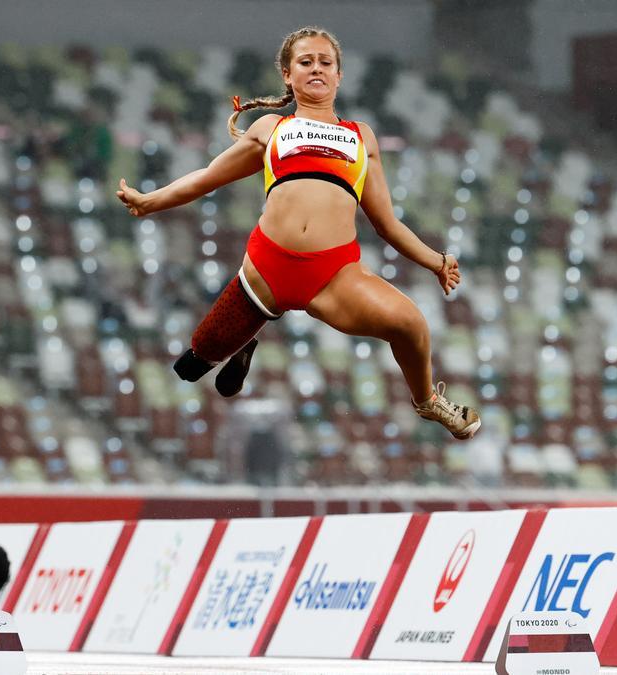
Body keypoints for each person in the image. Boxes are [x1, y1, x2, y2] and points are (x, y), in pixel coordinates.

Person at [115, 26, 480, 439]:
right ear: (288, 75)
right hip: (266, 269)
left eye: (326, 62)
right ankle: (244, 342)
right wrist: (150, 201)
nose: (317, 69)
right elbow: (207, 178)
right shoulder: (271, 128)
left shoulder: (362, 139)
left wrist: (436, 261)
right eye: (305, 62)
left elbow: (387, 224)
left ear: (340, 76)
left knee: (411, 324)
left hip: (332, 275)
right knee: (191, 366)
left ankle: (427, 401)